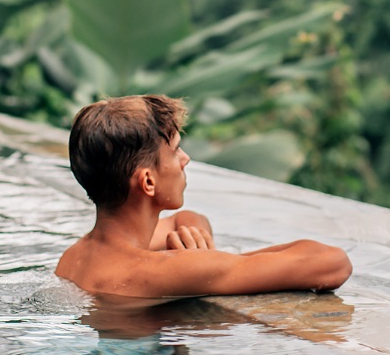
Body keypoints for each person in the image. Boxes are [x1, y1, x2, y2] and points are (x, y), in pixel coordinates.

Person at [55, 94, 352, 299]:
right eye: (174, 151)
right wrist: (202, 263)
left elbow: (187, 220)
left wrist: (195, 244)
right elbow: (333, 263)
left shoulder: (73, 258)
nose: (185, 160)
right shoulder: (159, 271)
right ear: (148, 181)